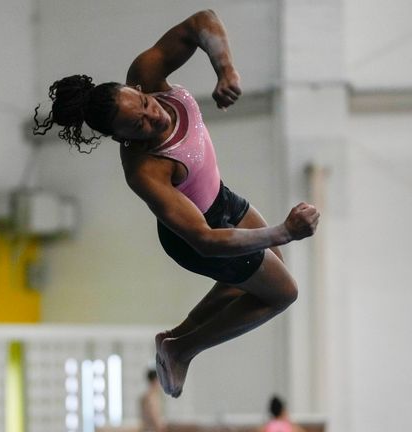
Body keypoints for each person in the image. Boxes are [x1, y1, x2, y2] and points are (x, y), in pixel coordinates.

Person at [34, 9, 319, 398]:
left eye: (148, 106)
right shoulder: (145, 170)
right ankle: (185, 348)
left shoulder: (146, 73)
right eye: (140, 127)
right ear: (123, 139)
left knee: (260, 278)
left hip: (220, 197)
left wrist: (226, 70)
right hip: (196, 236)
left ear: (137, 88)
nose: (156, 119)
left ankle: (173, 340)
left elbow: (201, 21)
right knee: (283, 293)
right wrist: (284, 231)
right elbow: (205, 239)